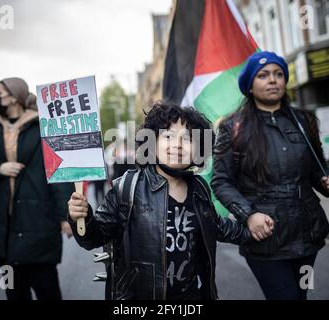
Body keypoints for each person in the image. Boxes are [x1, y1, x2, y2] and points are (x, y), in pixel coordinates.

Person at [68, 101, 256, 300]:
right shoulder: (127, 187)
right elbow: (94, 237)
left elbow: (216, 225)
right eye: (168, 136)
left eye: (187, 138)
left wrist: (252, 230)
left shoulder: (199, 188)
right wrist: (82, 217)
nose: (177, 145)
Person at [211, 51, 329, 300]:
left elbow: (316, 170)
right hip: (266, 239)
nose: (272, 80)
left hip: (308, 235)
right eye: (263, 75)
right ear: (250, 86)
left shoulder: (304, 121)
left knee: (301, 295)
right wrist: (248, 214)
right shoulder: (234, 127)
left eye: (278, 74)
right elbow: (221, 181)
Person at [0, 77, 73, 300]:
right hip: (2, 227)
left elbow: (59, 173)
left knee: (48, 290)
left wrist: (66, 216)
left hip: (37, 222)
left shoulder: (44, 127)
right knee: (13, 291)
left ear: (14, 96)